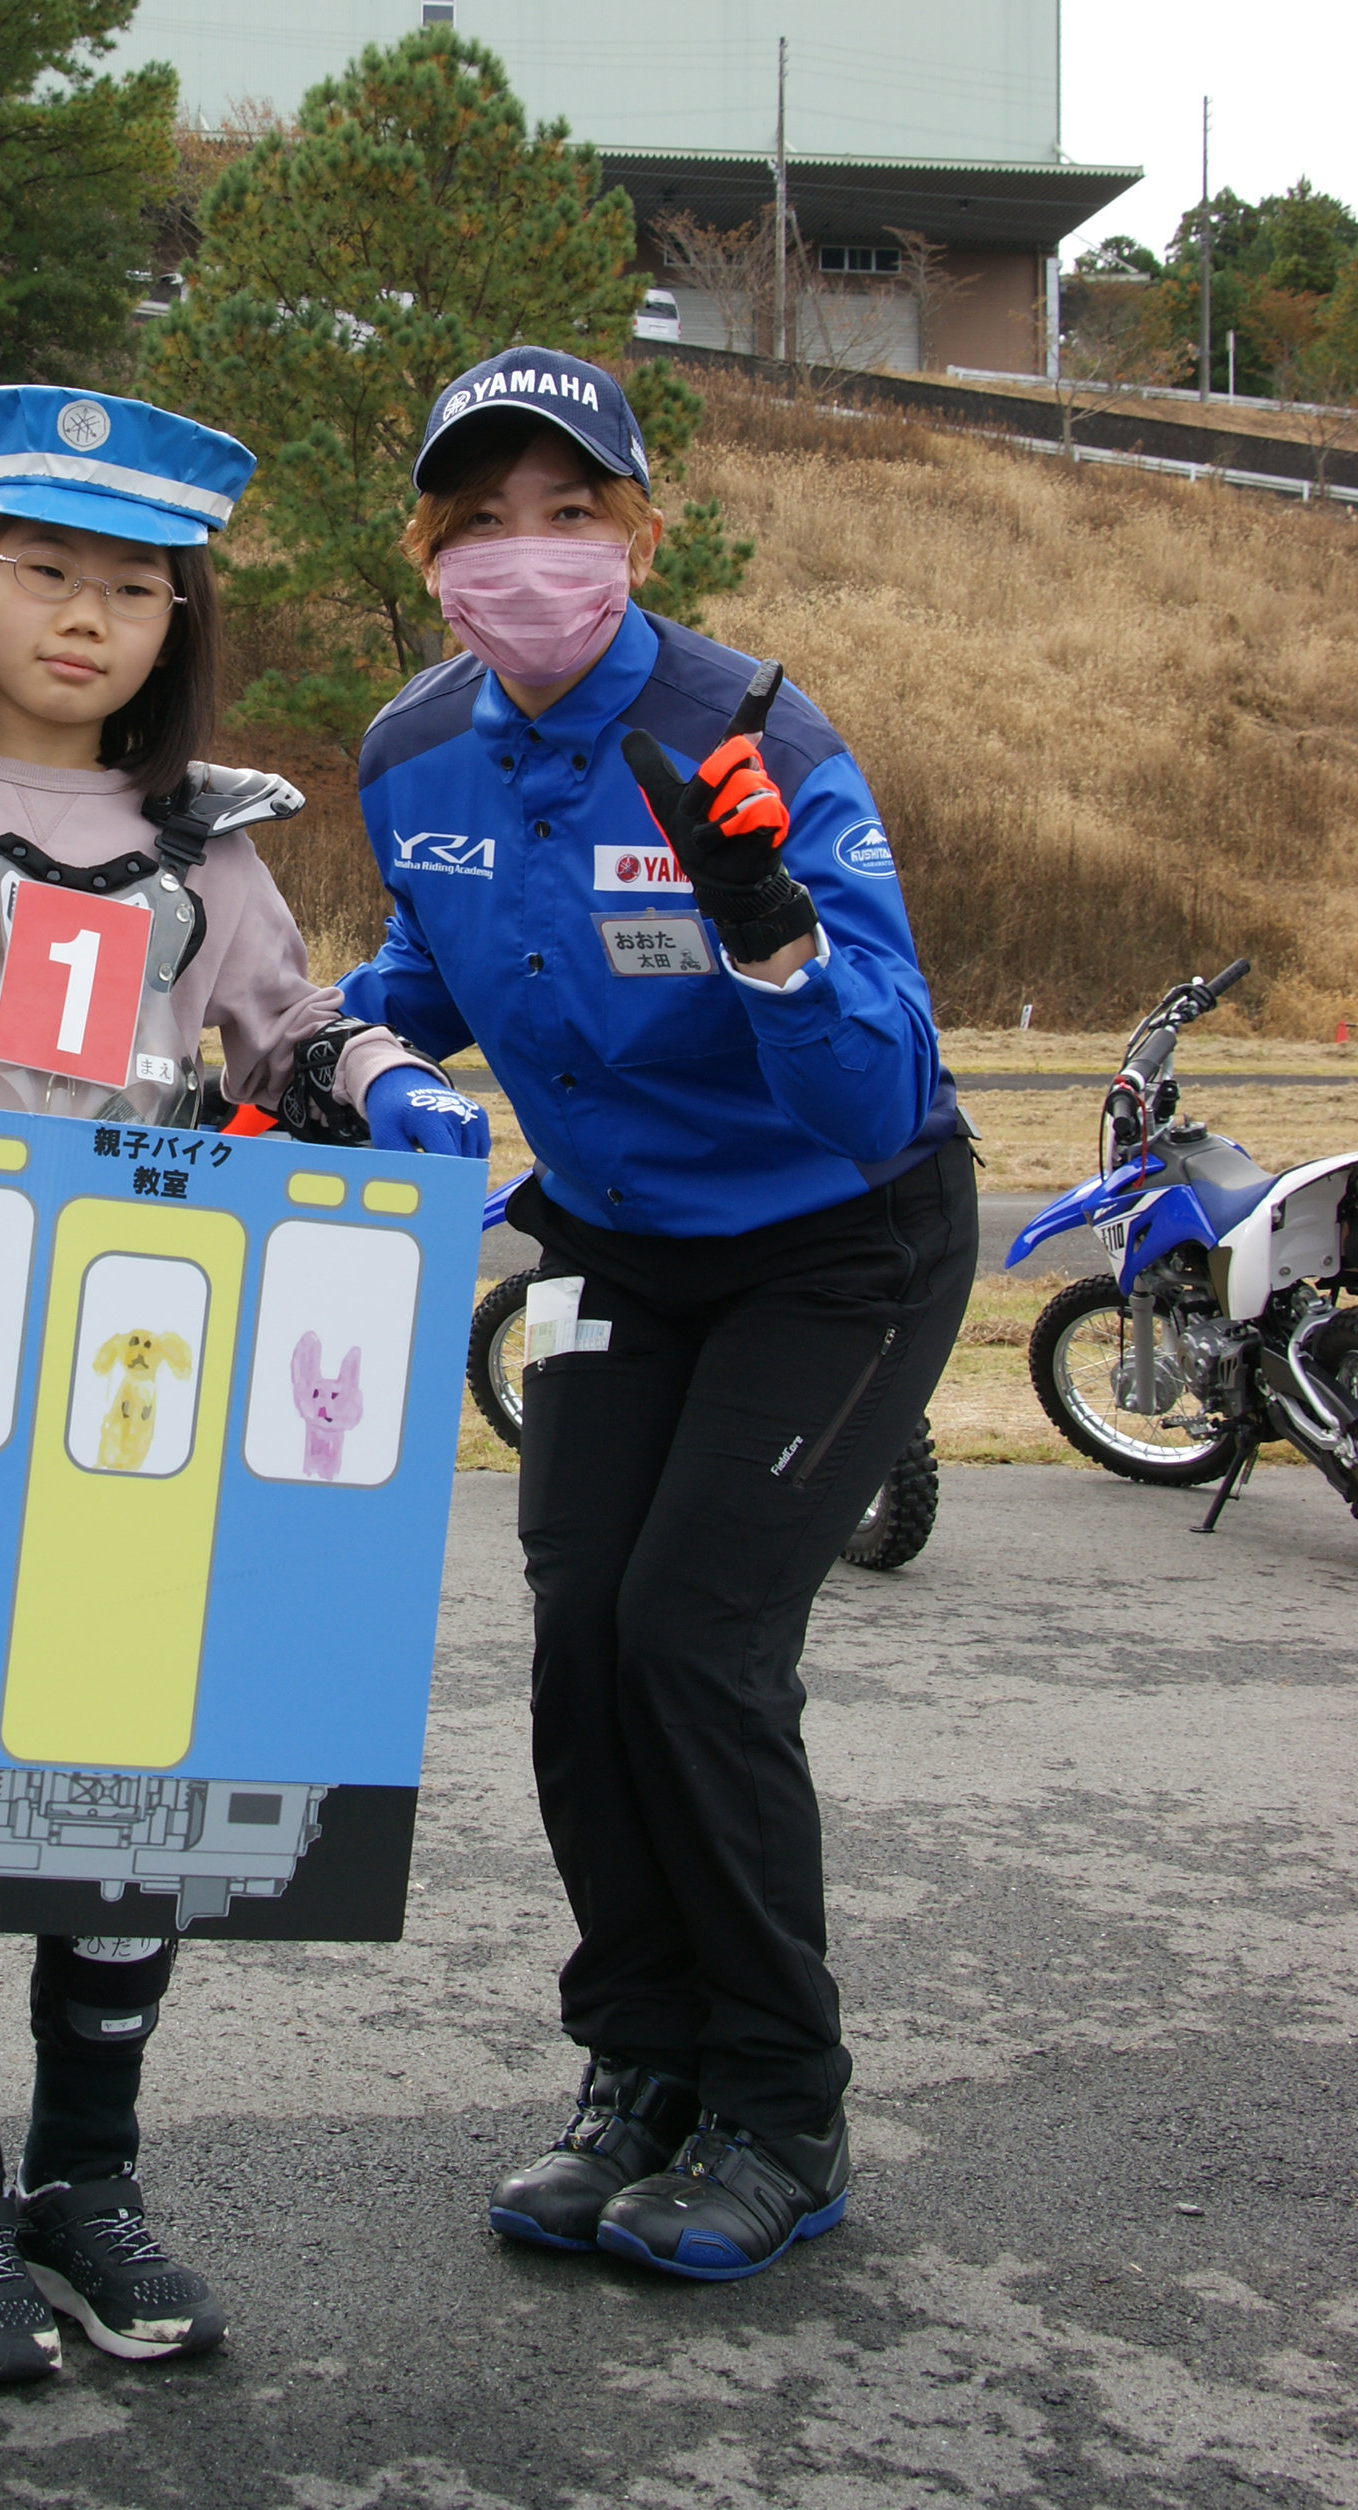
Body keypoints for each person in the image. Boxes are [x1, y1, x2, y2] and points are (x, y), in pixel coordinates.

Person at [0, 382, 489, 2384]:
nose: (82, 619)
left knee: (130, 1782)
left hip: (142, 1372)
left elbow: (286, 1029)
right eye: (44, 572)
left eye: (131, 589)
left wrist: (387, 1089)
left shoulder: (206, 842)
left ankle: (92, 2184)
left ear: (171, 623)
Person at [342, 346, 977, 2281]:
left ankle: (781, 2107)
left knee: (695, 1641)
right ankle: (643, 2071)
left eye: (570, 514)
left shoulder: (750, 732)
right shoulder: (410, 749)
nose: (526, 556)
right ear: (432, 550)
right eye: (481, 521)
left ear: (638, 529)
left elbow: (883, 1088)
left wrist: (770, 929)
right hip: (617, 1246)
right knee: (581, 1642)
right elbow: (424, 968)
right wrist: (355, 1052)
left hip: (835, 1241)